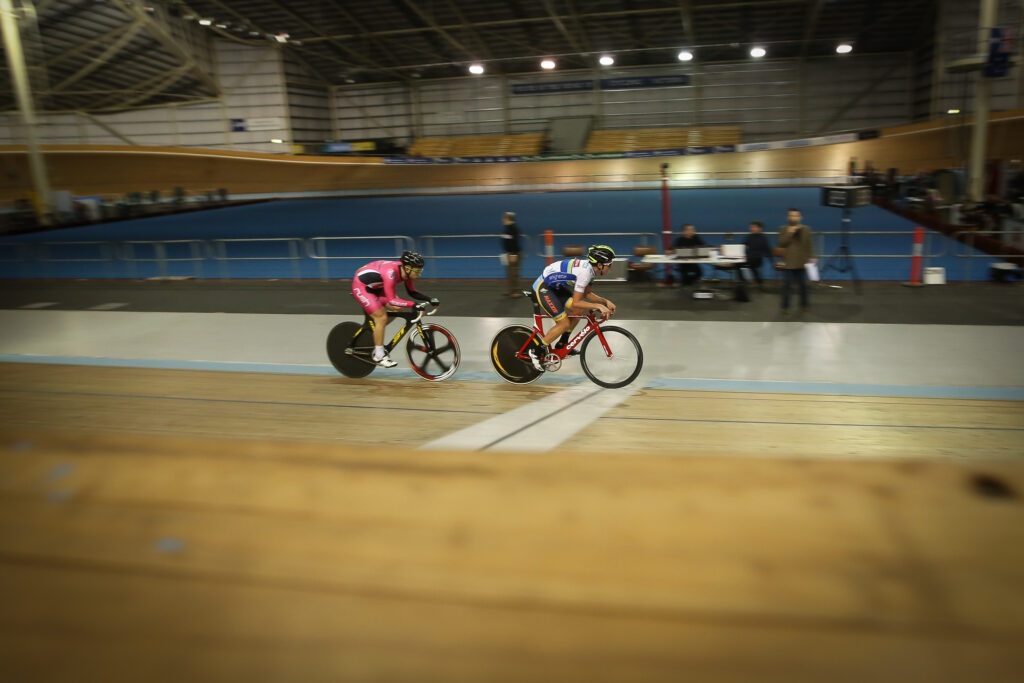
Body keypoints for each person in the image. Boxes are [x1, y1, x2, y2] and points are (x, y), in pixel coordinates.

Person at [527, 244, 617, 371]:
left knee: (579, 310)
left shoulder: (591, 271)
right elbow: (576, 301)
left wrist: (604, 302)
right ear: (600, 265)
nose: (611, 267)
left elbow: (587, 294)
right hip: (543, 288)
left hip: (554, 287)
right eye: (609, 264)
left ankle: (562, 345)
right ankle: (535, 351)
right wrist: (598, 306)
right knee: (563, 323)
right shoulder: (585, 273)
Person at [351, 250, 438, 367]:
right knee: (381, 317)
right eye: (417, 271)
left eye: (420, 270)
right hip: (361, 287)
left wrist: (429, 299)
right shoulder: (391, 274)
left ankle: (376, 331)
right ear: (407, 269)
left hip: (376, 285)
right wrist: (413, 305)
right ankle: (379, 356)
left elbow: (412, 292)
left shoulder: (406, 272)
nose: (420, 274)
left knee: (397, 308)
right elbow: (391, 299)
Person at [776, 208, 815, 312]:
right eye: (791, 215)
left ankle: (804, 304)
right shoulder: (783, 229)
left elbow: (809, 244)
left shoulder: (806, 229)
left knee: (803, 285)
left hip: (801, 262)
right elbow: (781, 243)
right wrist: (789, 234)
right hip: (788, 263)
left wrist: (812, 256)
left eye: (796, 215)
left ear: (800, 217)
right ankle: (785, 306)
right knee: (787, 286)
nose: (793, 217)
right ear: (788, 217)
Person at [742, 220, 773, 288]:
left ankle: (759, 282)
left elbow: (767, 250)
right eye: (751, 227)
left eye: (753, 227)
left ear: (760, 229)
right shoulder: (748, 237)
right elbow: (742, 246)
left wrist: (772, 261)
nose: (751, 229)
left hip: (758, 258)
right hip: (748, 257)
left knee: (752, 264)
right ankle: (742, 282)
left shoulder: (763, 238)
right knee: (737, 265)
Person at [500, 211, 522, 297]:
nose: (502, 220)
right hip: (509, 253)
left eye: (504, 218)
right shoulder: (507, 228)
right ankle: (511, 290)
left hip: (514, 254)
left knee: (515, 273)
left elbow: (514, 243)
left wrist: (514, 254)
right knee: (510, 273)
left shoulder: (513, 229)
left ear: (508, 219)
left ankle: (517, 291)